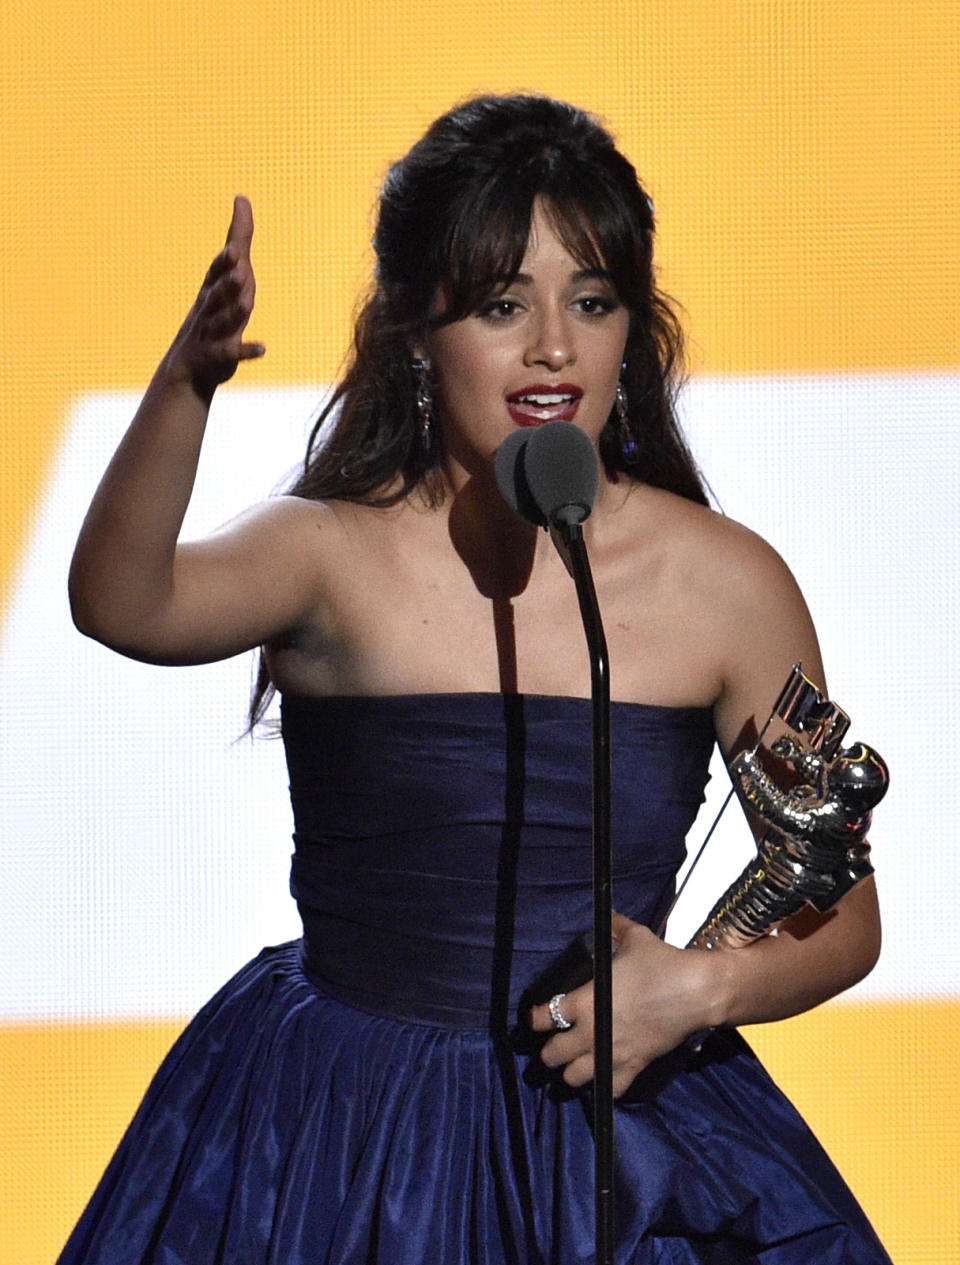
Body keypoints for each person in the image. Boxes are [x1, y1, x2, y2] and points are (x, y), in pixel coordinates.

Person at [61, 95, 891, 1263]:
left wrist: (698, 991)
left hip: (617, 1133)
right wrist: (186, 386)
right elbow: (121, 602)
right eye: (504, 305)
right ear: (416, 328)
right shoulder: (329, 554)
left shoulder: (729, 584)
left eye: (591, 302)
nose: (553, 345)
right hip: (337, 1139)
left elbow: (841, 912)